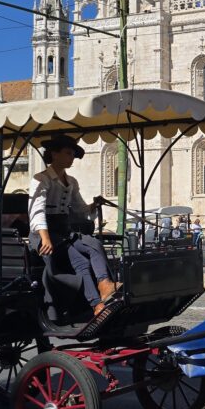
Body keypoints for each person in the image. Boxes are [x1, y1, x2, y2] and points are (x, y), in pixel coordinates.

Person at [30, 135, 118, 316]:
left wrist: (93, 206)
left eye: (72, 154)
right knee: (81, 262)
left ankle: (104, 284)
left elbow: (79, 210)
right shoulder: (41, 179)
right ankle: (96, 305)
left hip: (64, 233)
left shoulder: (71, 182)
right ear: (54, 154)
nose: (71, 158)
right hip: (44, 234)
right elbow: (36, 210)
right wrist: (45, 237)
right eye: (68, 153)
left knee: (94, 245)